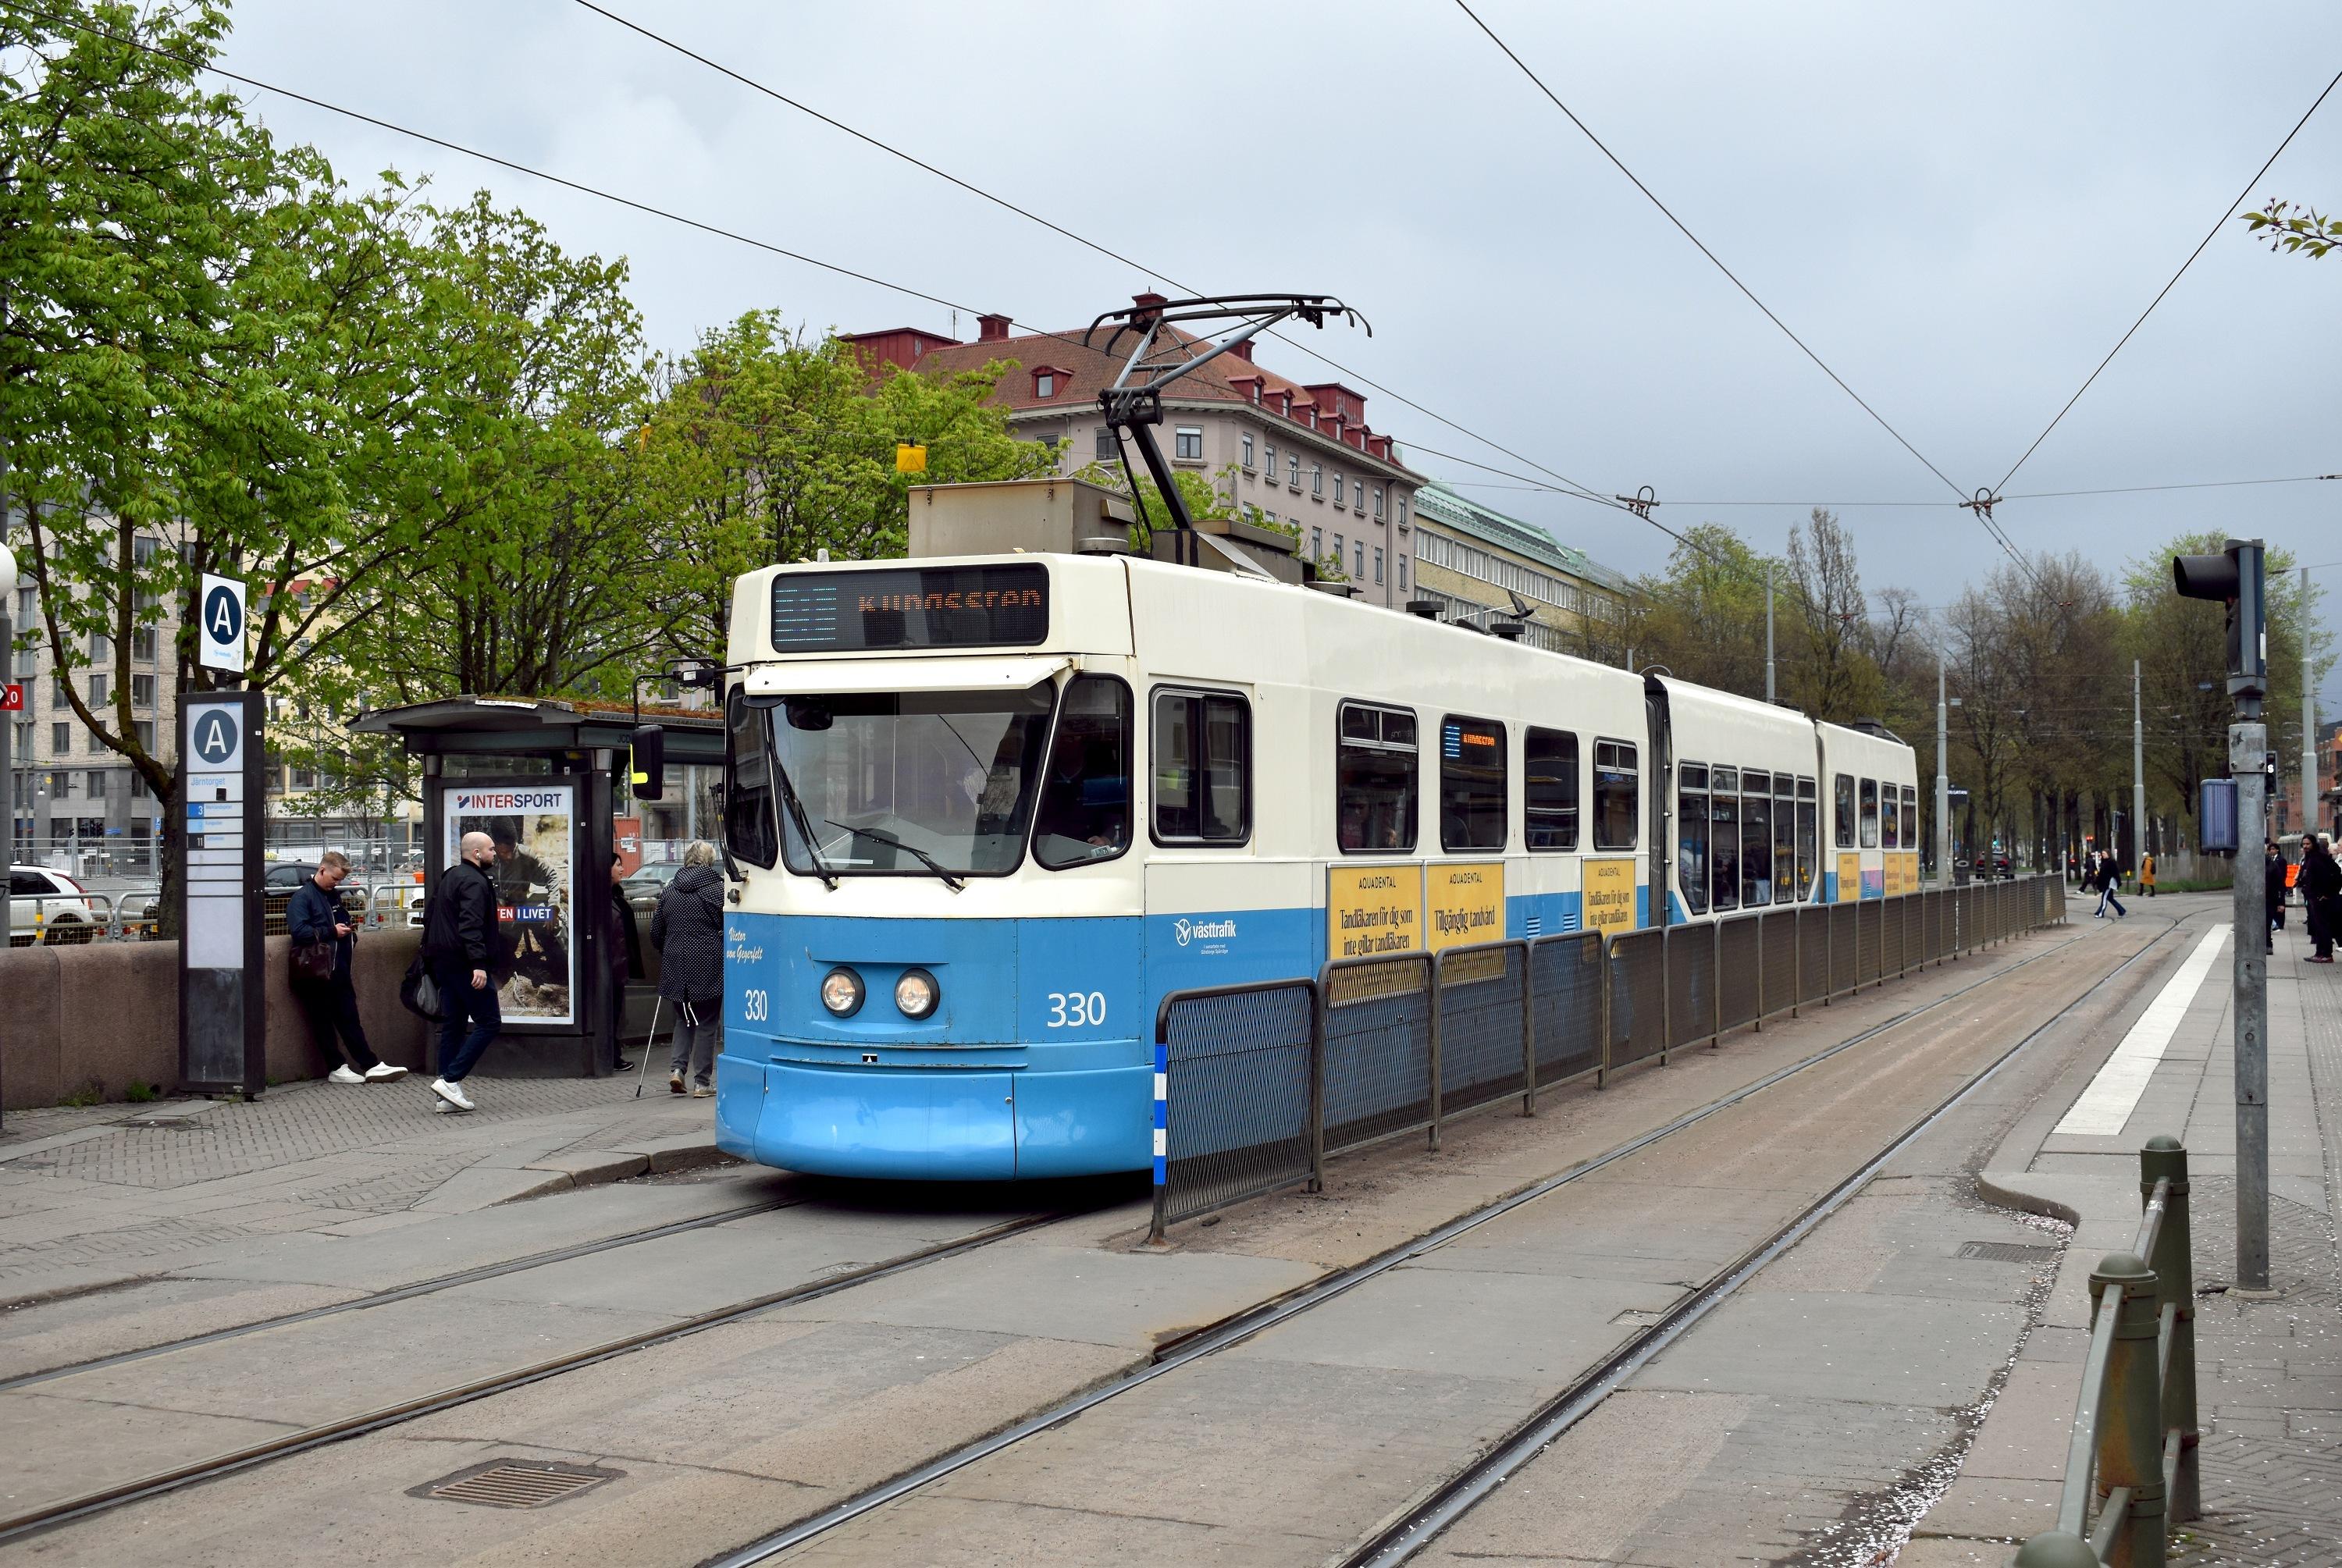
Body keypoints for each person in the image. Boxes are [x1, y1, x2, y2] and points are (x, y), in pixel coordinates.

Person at [287, 852, 406, 1085]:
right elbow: (299, 932)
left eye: (340, 879)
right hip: (317, 973)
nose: (337, 883)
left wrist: (347, 931)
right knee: (324, 1022)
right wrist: (333, 932)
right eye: (334, 878)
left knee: (349, 1018)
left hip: (337, 969)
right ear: (322, 870)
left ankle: (369, 1065)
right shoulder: (302, 898)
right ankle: (339, 1066)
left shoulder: (331, 896)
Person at [421, 830, 512, 1112]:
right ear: (476, 853)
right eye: (491, 849)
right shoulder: (475, 881)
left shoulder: (451, 876)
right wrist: (478, 964)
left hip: (445, 964)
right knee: (489, 1022)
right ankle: (450, 1080)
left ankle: (446, 1097)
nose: (494, 854)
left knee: (454, 1027)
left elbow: (431, 918)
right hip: (465, 965)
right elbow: (471, 926)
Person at [652, 841, 726, 1097]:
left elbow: (655, 933)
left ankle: (676, 1070)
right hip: (708, 967)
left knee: (683, 1019)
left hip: (675, 968)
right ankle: (702, 1082)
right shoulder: (717, 890)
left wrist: (670, 951)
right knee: (707, 1022)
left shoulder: (669, 891)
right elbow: (731, 928)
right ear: (708, 861)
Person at [607, 855, 642, 1072]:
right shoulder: (604, 898)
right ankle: (612, 1055)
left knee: (616, 1012)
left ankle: (614, 1054)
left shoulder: (616, 895)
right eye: (618, 865)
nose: (622, 869)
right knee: (611, 1012)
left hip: (619, 966)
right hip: (611, 966)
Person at [2303, 834, 2340, 963]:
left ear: (2313, 844)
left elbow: (2333, 874)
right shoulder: (2310, 858)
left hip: (2321, 899)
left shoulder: (2318, 858)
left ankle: (2326, 954)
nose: (2305, 846)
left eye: (2308, 844)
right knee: (2318, 926)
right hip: (2314, 897)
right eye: (2304, 844)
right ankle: (2319, 953)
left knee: (2323, 926)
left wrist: (2327, 893)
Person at [2265, 840, 2290, 955]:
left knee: (2267, 922)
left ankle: (2268, 944)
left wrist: (2281, 903)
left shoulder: (2272, 865)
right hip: (2255, 900)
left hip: (2270, 899)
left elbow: (2280, 884)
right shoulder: (2251, 865)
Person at [2098, 848, 2127, 919]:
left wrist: (2118, 882)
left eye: (2104, 854)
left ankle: (2100, 913)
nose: (2103, 855)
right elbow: (2102, 874)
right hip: (2105, 883)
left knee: (2104, 898)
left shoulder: (2111, 862)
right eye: (2102, 854)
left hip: (2109, 884)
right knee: (2110, 898)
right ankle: (2122, 911)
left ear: (2108, 854)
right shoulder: (2104, 862)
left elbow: (2115, 873)